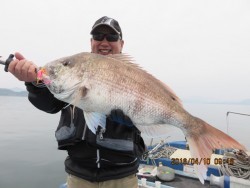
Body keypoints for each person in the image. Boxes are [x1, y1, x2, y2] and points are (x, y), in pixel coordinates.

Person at [8, 16, 146, 188]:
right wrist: (33, 82)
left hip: (123, 177)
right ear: (91, 42)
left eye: (111, 37)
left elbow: (150, 113)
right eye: (98, 36)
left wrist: (133, 119)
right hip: (78, 177)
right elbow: (49, 105)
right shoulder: (76, 71)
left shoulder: (134, 76)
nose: (104, 41)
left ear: (121, 44)